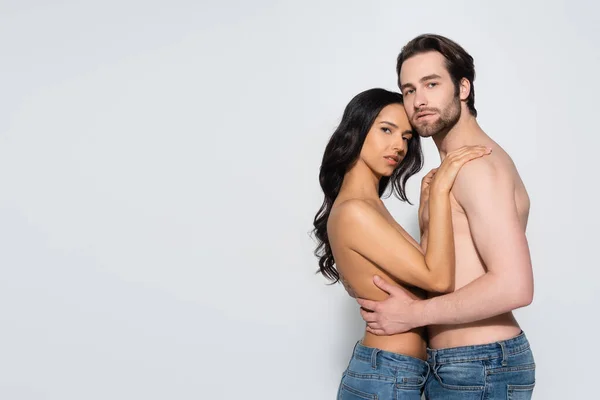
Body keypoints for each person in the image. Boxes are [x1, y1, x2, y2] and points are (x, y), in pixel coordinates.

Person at [356, 34, 537, 399]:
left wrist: (412, 315)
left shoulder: (478, 168)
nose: (419, 100)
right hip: (464, 365)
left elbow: (514, 285)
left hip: (479, 367)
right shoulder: (450, 173)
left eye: (432, 84)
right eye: (408, 90)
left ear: (463, 87)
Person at [312, 87, 491, 399]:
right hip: (385, 378)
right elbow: (439, 279)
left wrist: (426, 214)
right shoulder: (355, 211)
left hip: (396, 375)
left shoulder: (371, 206)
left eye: (407, 137)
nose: (398, 146)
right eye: (386, 130)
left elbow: (425, 275)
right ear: (356, 131)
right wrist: (439, 193)